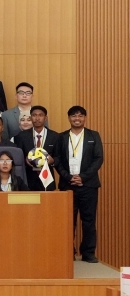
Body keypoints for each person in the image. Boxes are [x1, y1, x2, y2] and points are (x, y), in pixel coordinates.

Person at [55, 106, 104, 263]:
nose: (77, 118)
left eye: (81, 116)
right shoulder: (61, 137)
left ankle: (88, 252)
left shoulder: (93, 135)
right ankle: (69, 251)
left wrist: (82, 177)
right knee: (68, 220)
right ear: (69, 118)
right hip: (67, 185)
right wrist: (69, 177)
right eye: (74, 116)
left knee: (89, 220)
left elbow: (98, 158)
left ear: (85, 118)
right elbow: (57, 160)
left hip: (88, 185)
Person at [13, 106, 59, 191]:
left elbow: (58, 157)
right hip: (28, 178)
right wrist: (25, 160)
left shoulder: (55, 136)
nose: (37, 118)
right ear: (31, 118)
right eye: (34, 115)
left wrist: (52, 161)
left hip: (47, 178)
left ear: (45, 118)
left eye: (40, 115)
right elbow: (17, 157)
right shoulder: (22, 136)